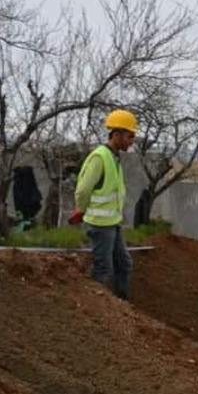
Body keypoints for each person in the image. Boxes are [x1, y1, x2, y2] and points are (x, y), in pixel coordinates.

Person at [70, 109, 137, 300]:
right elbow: (83, 190)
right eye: (130, 136)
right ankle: (92, 306)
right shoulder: (100, 157)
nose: (132, 141)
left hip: (112, 223)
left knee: (124, 264)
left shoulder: (114, 158)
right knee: (103, 268)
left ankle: (122, 306)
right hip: (100, 224)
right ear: (117, 134)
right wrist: (80, 210)